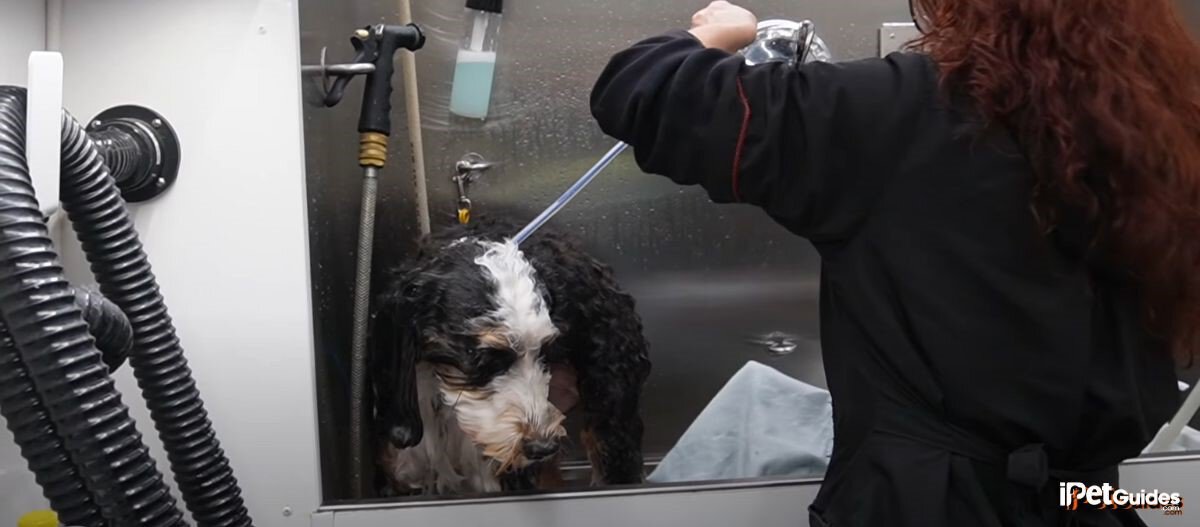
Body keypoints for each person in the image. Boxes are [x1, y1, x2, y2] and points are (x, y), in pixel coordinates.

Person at [590, 1, 1200, 526]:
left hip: (921, 503)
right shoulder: (1166, 125)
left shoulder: (900, 110)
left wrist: (722, 31)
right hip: (1085, 496)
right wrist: (1162, 502)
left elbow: (645, 88)